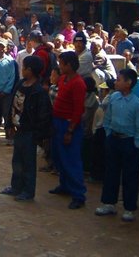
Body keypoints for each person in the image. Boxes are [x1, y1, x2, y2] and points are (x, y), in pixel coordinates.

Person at [95, 68, 139, 223]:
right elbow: (108, 117)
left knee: (130, 176)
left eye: (119, 79)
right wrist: (109, 133)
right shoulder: (114, 98)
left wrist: (136, 143)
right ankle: (109, 203)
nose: (116, 82)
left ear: (128, 83)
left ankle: (129, 208)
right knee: (111, 172)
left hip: (129, 141)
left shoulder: (138, 105)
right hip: (114, 139)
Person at [0, 55, 53, 202]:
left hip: (30, 132)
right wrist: (9, 124)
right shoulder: (21, 84)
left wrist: (38, 134)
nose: (22, 70)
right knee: (17, 160)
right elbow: (12, 104)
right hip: (18, 129)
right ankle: (16, 186)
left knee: (28, 163)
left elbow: (44, 115)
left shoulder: (39, 91)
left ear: (30, 70)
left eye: (24, 68)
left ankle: (28, 191)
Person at [49, 51, 87, 210]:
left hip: (68, 124)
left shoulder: (78, 83)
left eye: (62, 64)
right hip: (57, 121)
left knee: (71, 160)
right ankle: (64, 185)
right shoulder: (63, 79)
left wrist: (70, 130)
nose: (59, 66)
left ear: (69, 65)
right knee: (59, 157)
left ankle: (78, 194)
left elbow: (78, 109)